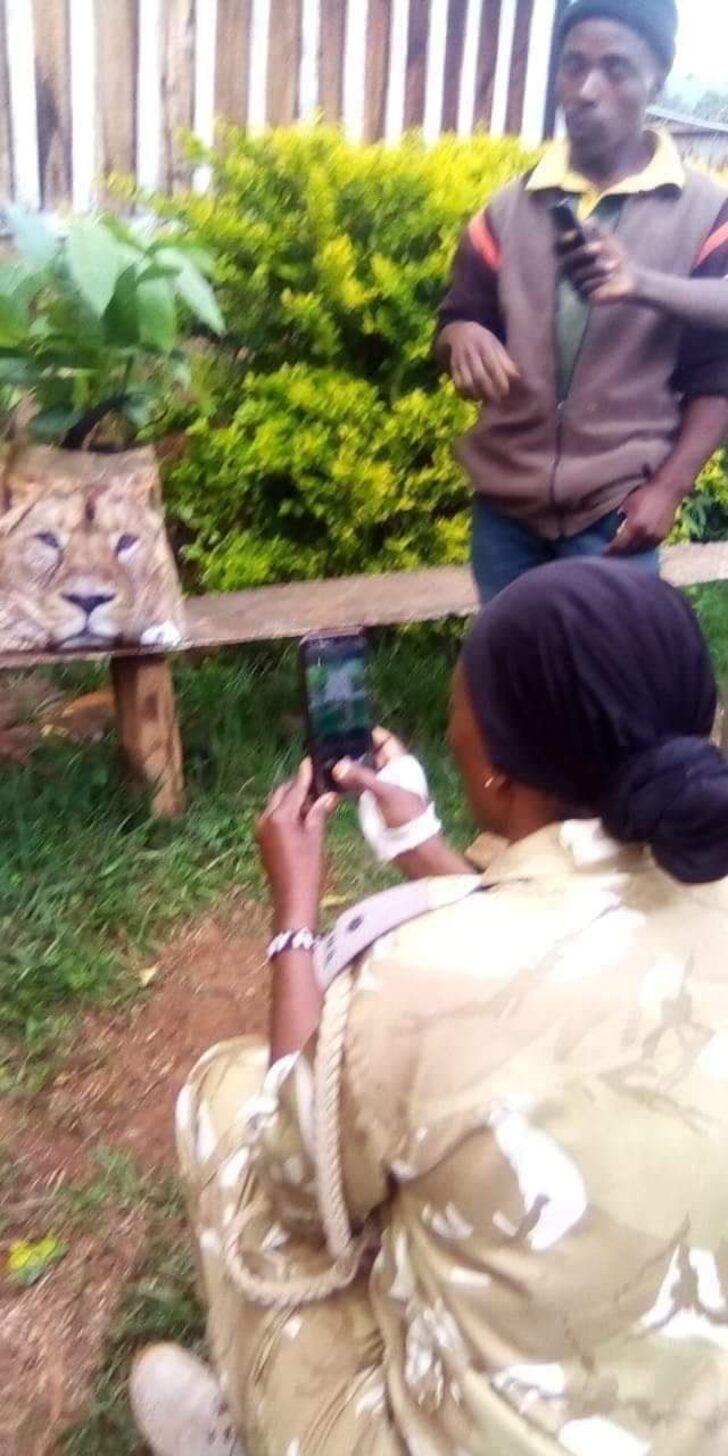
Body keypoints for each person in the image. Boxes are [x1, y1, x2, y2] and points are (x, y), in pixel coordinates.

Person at [131, 560, 728, 1456]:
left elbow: (300, 1184)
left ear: (491, 776)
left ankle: (267, 1417)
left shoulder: (415, 981)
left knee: (231, 1095)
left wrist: (295, 916)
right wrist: (422, 846)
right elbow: (570, 922)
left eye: (462, 710)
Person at [437, 0, 728, 601]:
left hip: (616, 511)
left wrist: (669, 491)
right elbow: (459, 316)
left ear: (657, 81)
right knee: (512, 677)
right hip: (506, 510)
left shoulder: (704, 213)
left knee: (604, 686)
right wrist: (462, 336)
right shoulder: (508, 208)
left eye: (616, 69)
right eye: (573, 67)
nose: (586, 90)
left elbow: (717, 377)